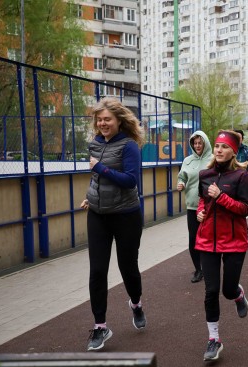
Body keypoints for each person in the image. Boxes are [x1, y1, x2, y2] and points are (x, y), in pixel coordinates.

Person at [80, 97, 146, 351]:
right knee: (97, 271)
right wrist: (90, 196)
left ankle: (136, 304)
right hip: (98, 214)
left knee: (127, 268)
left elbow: (130, 181)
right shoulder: (95, 143)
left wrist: (101, 169)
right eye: (99, 119)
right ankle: (100, 327)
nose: (102, 123)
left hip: (126, 215)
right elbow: (98, 180)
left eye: (107, 119)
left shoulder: (129, 146)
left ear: (119, 120)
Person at [195, 130, 248, 362]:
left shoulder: (241, 177)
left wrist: (221, 197)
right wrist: (200, 211)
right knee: (210, 291)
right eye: (217, 146)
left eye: (224, 147)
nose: (219, 150)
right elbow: (202, 199)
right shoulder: (204, 174)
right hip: (207, 240)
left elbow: (245, 209)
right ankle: (214, 339)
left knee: (227, 290)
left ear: (233, 151)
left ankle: (238, 294)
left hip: (234, 241)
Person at [176, 130, 213, 283]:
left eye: (200, 142)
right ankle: (198, 269)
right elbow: (181, 176)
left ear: (205, 143)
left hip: (210, 206)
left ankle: (210, 267)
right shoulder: (187, 160)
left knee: (209, 238)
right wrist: (181, 183)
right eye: (195, 143)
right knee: (193, 240)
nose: (197, 145)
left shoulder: (213, 159)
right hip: (192, 206)